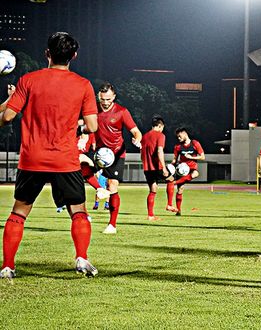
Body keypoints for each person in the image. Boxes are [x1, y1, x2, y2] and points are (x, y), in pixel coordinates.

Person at [0, 32, 99, 280]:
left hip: (31, 158)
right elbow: (93, 126)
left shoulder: (28, 80)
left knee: (18, 213)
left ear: (47, 53)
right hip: (64, 159)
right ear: (73, 56)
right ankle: (81, 258)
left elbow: (8, 117)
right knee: (78, 211)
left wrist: (10, 101)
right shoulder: (83, 84)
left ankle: (8, 266)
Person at [95, 83, 142, 234]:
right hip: (98, 153)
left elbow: (136, 131)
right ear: (98, 96)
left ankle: (112, 225)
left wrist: (137, 139)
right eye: (102, 99)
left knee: (113, 187)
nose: (105, 102)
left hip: (116, 154)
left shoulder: (122, 112)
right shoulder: (92, 110)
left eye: (108, 99)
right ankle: (97, 192)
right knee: (79, 168)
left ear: (114, 97)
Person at [166, 127, 205, 216]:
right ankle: (178, 211)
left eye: (179, 136)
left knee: (195, 173)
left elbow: (202, 157)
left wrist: (192, 157)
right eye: (177, 137)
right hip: (181, 169)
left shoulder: (195, 143)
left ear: (185, 134)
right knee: (180, 190)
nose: (178, 138)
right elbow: (175, 159)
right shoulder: (178, 147)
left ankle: (174, 183)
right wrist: (170, 167)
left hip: (191, 168)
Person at [140, 115, 170, 221]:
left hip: (147, 168)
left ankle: (150, 215)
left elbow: (141, 154)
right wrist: (164, 168)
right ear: (160, 126)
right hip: (157, 166)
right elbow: (159, 151)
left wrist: (145, 164)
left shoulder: (144, 137)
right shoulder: (160, 135)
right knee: (171, 180)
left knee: (153, 190)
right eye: (162, 128)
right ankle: (170, 204)